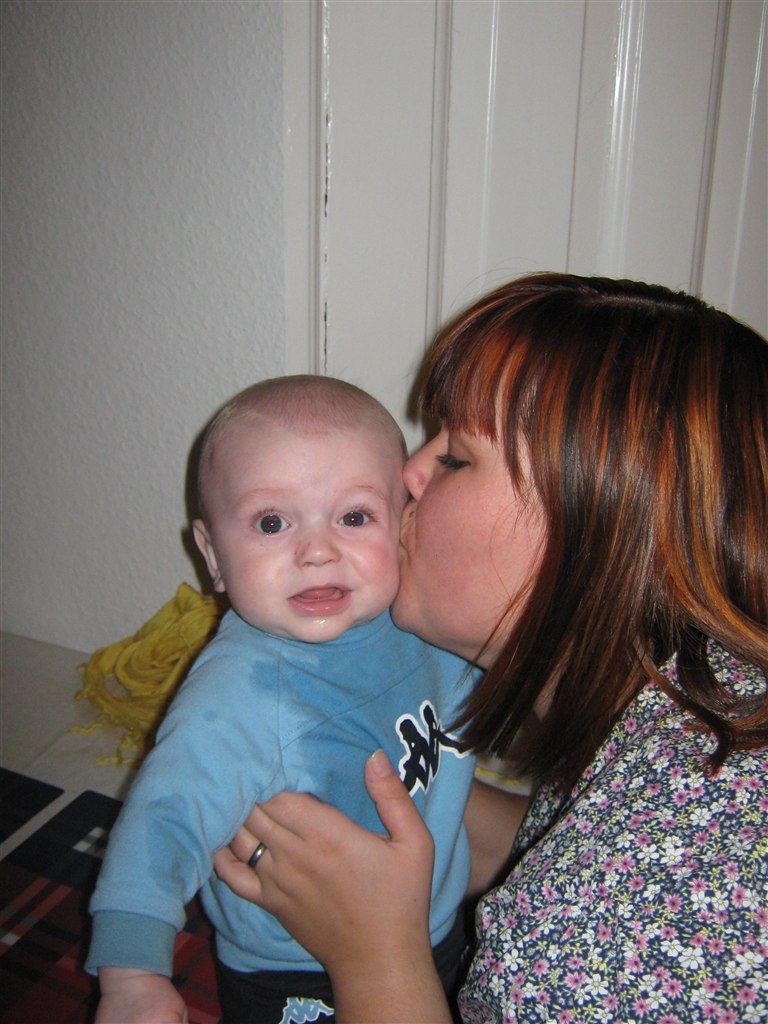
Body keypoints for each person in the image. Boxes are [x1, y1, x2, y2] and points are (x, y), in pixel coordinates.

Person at [215, 274, 768, 1023]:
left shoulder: (589, 940)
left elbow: (594, 902)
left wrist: (377, 959)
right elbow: (561, 838)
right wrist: (372, 787)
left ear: (593, 526)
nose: (407, 474)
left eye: (454, 458)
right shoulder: (708, 696)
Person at [87, 375, 480, 1024]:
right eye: (272, 522)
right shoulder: (239, 695)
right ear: (213, 555)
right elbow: (163, 823)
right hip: (297, 965)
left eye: (354, 517)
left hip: (437, 914)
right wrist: (131, 975)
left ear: (404, 523)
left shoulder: (423, 619)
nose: (317, 551)